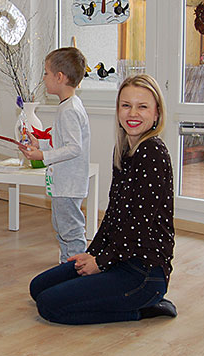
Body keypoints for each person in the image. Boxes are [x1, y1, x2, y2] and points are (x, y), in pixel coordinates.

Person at [29, 74, 177, 325]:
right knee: (38, 287)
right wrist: (92, 254)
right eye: (126, 105)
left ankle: (142, 310)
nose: (133, 113)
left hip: (143, 273)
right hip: (119, 257)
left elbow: (138, 226)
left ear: (156, 114)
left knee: (49, 305)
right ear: (118, 110)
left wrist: (100, 262)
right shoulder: (125, 150)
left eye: (142, 106)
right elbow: (114, 215)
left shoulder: (152, 152)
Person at [20, 47, 91, 263]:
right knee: (61, 227)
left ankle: (75, 268)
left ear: (59, 77)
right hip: (63, 183)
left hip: (69, 184)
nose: (44, 78)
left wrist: (42, 155)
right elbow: (62, 143)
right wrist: (40, 143)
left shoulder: (70, 110)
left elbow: (74, 148)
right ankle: (66, 264)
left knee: (70, 230)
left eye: (46, 73)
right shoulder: (68, 106)